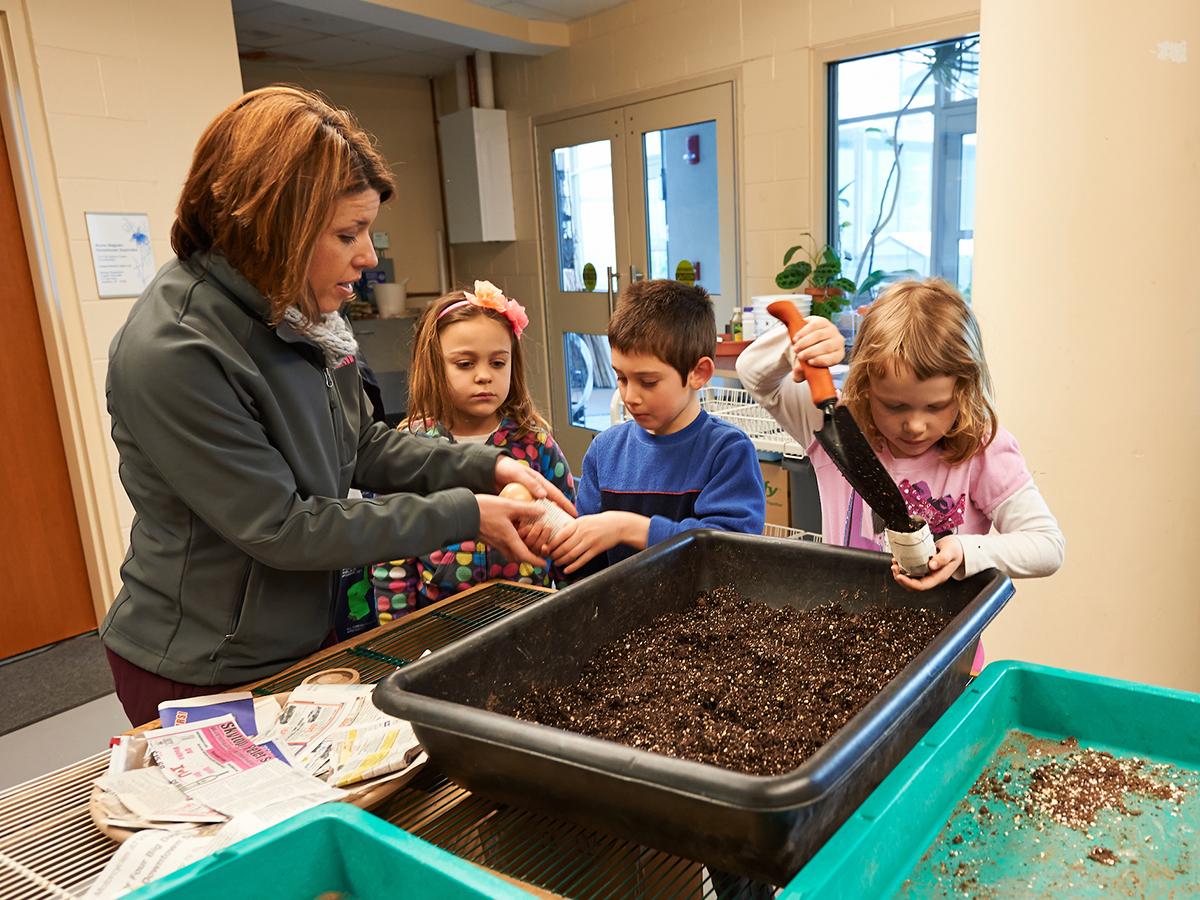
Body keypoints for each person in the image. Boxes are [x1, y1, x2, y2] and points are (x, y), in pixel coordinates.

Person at [100, 86, 571, 726]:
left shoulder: (298, 311)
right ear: (271, 225)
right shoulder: (177, 351)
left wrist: (485, 469)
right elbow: (284, 528)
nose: (368, 258)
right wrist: (469, 513)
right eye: (347, 234)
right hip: (206, 663)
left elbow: (361, 445)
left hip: (308, 634)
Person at [737, 278, 1065, 594]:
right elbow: (752, 372)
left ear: (964, 392)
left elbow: (1047, 546)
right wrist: (802, 339)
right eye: (895, 406)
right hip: (844, 631)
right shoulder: (834, 424)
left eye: (937, 406)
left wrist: (966, 551)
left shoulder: (981, 450)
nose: (915, 425)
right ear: (866, 386)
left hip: (945, 644)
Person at [537, 279, 775, 575]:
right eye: (621, 378)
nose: (630, 397)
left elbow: (730, 552)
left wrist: (629, 528)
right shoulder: (605, 450)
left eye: (648, 382)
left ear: (698, 373)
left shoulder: (726, 451)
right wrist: (551, 533)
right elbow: (585, 561)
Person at [371, 281, 576, 620]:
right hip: (440, 625)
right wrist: (397, 632)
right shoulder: (408, 448)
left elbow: (569, 540)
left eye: (498, 363)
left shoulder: (535, 445)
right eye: (465, 364)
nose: (484, 376)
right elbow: (390, 556)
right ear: (435, 366)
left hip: (527, 617)